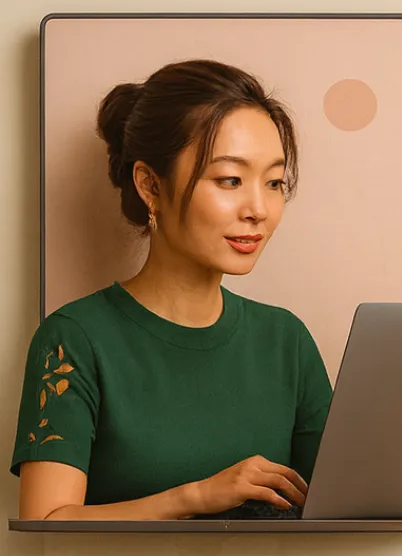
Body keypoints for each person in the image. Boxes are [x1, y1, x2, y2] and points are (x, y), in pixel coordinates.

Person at [11, 59, 331, 520]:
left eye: (275, 182)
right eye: (230, 180)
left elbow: (341, 509)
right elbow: (46, 521)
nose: (259, 209)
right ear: (149, 185)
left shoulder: (287, 341)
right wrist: (196, 497)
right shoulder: (75, 338)